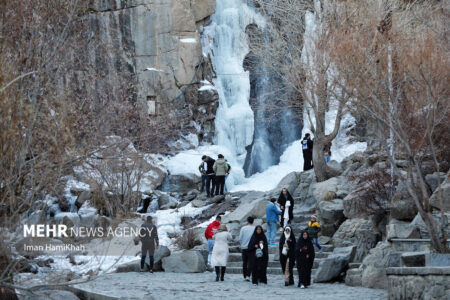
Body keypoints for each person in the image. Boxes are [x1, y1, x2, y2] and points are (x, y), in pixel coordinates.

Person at [239, 216, 255, 281]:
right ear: (253, 221)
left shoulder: (243, 228)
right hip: (252, 248)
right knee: (251, 262)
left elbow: (240, 238)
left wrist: (242, 244)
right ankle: (248, 275)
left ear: (247, 221)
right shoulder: (254, 228)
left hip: (244, 247)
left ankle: (245, 275)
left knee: (244, 262)